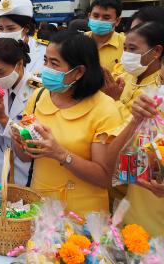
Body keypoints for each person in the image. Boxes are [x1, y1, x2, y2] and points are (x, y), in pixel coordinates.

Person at [10, 31, 122, 216]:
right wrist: (18, 139)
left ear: (79, 72)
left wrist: (61, 154)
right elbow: (25, 157)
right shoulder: (39, 97)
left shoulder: (104, 108)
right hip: (42, 204)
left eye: (54, 63)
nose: (46, 69)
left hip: (83, 214)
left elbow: (105, 177)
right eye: (45, 61)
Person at [108, 89, 164, 237]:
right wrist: (134, 121)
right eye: (162, 80)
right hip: (125, 229)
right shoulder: (151, 113)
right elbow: (109, 164)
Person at [0, 38, 36, 185]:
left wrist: (3, 119)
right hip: (1, 167)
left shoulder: (37, 91)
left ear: (19, 64)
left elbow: (31, 140)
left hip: (25, 171)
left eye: (0, 72)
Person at [103, 21, 164, 120]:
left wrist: (115, 100)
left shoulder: (160, 89)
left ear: (156, 51)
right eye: (125, 48)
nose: (126, 54)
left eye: (132, 48)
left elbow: (143, 129)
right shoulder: (124, 76)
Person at [0, 0, 47, 76]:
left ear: (26, 28)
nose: (4, 33)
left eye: (10, 28)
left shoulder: (44, 51)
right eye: (0, 28)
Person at [85, 0, 125, 72]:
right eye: (95, 16)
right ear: (89, 16)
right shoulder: (76, 42)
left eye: (106, 17)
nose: (99, 20)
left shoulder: (127, 46)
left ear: (117, 21)